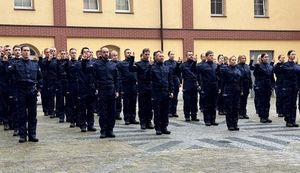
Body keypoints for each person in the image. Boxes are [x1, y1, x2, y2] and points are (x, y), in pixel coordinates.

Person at [8, 46, 43, 143]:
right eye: (24, 50)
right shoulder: (15, 64)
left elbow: (40, 78)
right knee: (21, 114)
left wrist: (39, 89)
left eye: (28, 50)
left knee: (32, 114)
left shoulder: (35, 64)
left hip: (32, 91)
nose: (26, 52)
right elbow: (10, 78)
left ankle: (32, 134)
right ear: (21, 52)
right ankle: (22, 135)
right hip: (20, 91)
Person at [94, 47, 119, 138]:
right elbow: (94, 78)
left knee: (112, 112)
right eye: (104, 52)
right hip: (102, 90)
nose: (106, 54)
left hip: (111, 90)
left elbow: (116, 78)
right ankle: (103, 131)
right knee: (103, 112)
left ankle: (110, 130)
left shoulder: (113, 64)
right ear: (101, 53)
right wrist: (96, 88)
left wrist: (117, 90)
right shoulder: (97, 64)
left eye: (107, 52)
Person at [129, 48, 154, 130]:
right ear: (142, 54)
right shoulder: (139, 64)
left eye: (148, 54)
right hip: (142, 87)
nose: (147, 56)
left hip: (150, 87)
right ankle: (142, 122)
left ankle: (149, 121)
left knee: (150, 106)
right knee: (142, 106)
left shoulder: (151, 64)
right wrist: (131, 59)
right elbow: (131, 69)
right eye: (145, 54)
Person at [151, 51, 173, 135]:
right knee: (157, 111)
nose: (161, 57)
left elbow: (170, 80)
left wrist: (171, 91)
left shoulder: (166, 67)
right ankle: (158, 128)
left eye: (162, 56)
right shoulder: (152, 67)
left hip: (165, 91)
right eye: (159, 56)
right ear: (155, 57)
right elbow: (149, 80)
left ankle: (164, 127)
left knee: (165, 110)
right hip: (156, 92)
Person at [218, 56, 242, 130]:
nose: (234, 61)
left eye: (235, 60)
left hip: (236, 90)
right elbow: (219, 74)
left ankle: (235, 124)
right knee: (229, 108)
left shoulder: (238, 69)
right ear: (229, 61)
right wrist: (219, 65)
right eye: (232, 60)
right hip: (228, 89)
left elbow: (240, 80)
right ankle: (230, 124)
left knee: (236, 108)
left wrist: (241, 90)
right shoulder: (225, 69)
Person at [250, 53, 275, 123]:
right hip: (261, 86)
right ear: (262, 58)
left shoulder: (270, 66)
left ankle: (266, 116)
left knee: (267, 102)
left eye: (267, 57)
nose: (267, 58)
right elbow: (255, 74)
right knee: (261, 102)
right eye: (265, 57)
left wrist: (273, 85)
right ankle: (262, 117)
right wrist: (257, 65)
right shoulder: (258, 66)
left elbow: (272, 77)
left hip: (268, 86)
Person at [196, 50, 219, 126]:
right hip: (206, 87)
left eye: (212, 55)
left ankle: (213, 119)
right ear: (206, 57)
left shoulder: (215, 65)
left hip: (214, 87)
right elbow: (194, 71)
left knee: (214, 104)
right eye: (210, 55)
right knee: (206, 104)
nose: (212, 57)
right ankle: (207, 120)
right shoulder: (202, 65)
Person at [77, 48, 97, 132]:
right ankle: (82, 125)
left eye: (88, 52)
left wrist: (96, 87)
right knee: (82, 108)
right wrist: (84, 61)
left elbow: (96, 76)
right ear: (82, 54)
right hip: (82, 88)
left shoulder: (93, 63)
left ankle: (90, 125)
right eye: (84, 52)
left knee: (91, 108)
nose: (86, 53)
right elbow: (82, 70)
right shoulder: (79, 64)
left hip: (91, 88)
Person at [117, 49, 138, 125]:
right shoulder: (121, 64)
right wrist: (121, 87)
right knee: (126, 103)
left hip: (134, 85)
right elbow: (118, 76)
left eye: (130, 53)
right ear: (124, 54)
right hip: (125, 85)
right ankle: (127, 118)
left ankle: (133, 118)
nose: (129, 54)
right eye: (127, 53)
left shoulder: (135, 63)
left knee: (133, 102)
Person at [278, 50, 299, 127]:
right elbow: (291, 71)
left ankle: (293, 120)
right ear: (288, 55)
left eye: (294, 54)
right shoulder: (285, 65)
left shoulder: (296, 65)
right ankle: (288, 120)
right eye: (292, 54)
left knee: (294, 104)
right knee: (287, 103)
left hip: (295, 86)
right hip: (287, 87)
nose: (294, 55)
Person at [179, 51, 199, 122]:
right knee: (187, 101)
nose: (191, 56)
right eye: (189, 55)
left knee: (194, 100)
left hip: (194, 83)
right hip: (187, 83)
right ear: (186, 56)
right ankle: (187, 115)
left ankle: (194, 115)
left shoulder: (196, 64)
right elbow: (180, 71)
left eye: (192, 55)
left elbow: (196, 72)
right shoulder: (183, 65)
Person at [164, 51, 181, 118]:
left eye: (173, 54)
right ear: (168, 55)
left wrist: (180, 82)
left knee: (175, 97)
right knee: (169, 97)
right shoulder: (165, 63)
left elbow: (178, 73)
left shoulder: (176, 63)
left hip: (175, 80)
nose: (172, 55)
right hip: (168, 80)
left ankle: (174, 111)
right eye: (171, 54)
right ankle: (169, 111)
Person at [66, 48, 79, 128]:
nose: (73, 54)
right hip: (70, 85)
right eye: (72, 53)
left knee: (79, 104)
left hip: (78, 85)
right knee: (71, 104)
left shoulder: (79, 63)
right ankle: (72, 120)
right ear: (70, 54)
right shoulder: (67, 63)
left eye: (75, 53)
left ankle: (78, 120)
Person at [236, 55, 252, 119]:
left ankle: (244, 113)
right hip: (240, 85)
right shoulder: (237, 66)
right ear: (239, 59)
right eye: (242, 58)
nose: (244, 59)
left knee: (245, 100)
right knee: (240, 100)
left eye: (245, 58)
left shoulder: (247, 66)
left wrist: (250, 84)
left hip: (246, 85)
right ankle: (239, 113)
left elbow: (249, 76)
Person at [110, 50, 122, 120]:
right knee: (112, 100)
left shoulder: (120, 64)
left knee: (119, 100)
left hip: (119, 83)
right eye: (113, 55)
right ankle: (113, 113)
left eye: (116, 55)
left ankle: (118, 113)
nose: (115, 57)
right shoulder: (109, 63)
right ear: (111, 56)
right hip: (112, 84)